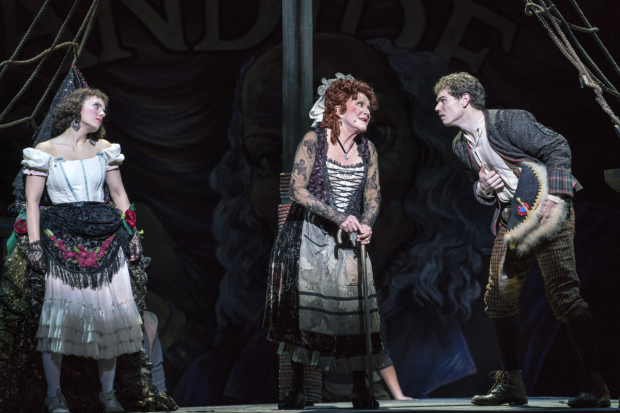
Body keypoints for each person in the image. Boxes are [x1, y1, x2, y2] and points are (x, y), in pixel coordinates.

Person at [434, 72, 610, 408]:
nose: (437, 107)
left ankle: (596, 384)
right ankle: (512, 383)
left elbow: (556, 145)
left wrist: (556, 195)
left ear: (465, 99)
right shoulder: (460, 146)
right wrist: (483, 188)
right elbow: (481, 189)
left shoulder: (508, 122)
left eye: (443, 100)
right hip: (512, 220)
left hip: (547, 211)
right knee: (498, 298)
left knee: (564, 297)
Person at [19, 88, 144, 413]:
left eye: (104, 108)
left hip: (105, 239)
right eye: (96, 106)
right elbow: (32, 201)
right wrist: (35, 244)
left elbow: (118, 193)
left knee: (109, 317)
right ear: (76, 110)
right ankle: (54, 395)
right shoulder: (45, 151)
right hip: (63, 241)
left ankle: (108, 395)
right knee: (60, 316)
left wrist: (132, 233)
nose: (102, 113)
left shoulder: (104, 150)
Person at [263, 74, 383, 410]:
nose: (366, 110)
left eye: (368, 106)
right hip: (309, 237)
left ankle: (360, 387)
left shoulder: (367, 149)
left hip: (349, 242)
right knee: (307, 312)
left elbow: (373, 194)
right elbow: (296, 190)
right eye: (359, 104)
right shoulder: (314, 140)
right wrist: (337, 216)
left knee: (355, 310)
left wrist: (367, 223)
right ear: (338, 108)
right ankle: (298, 388)